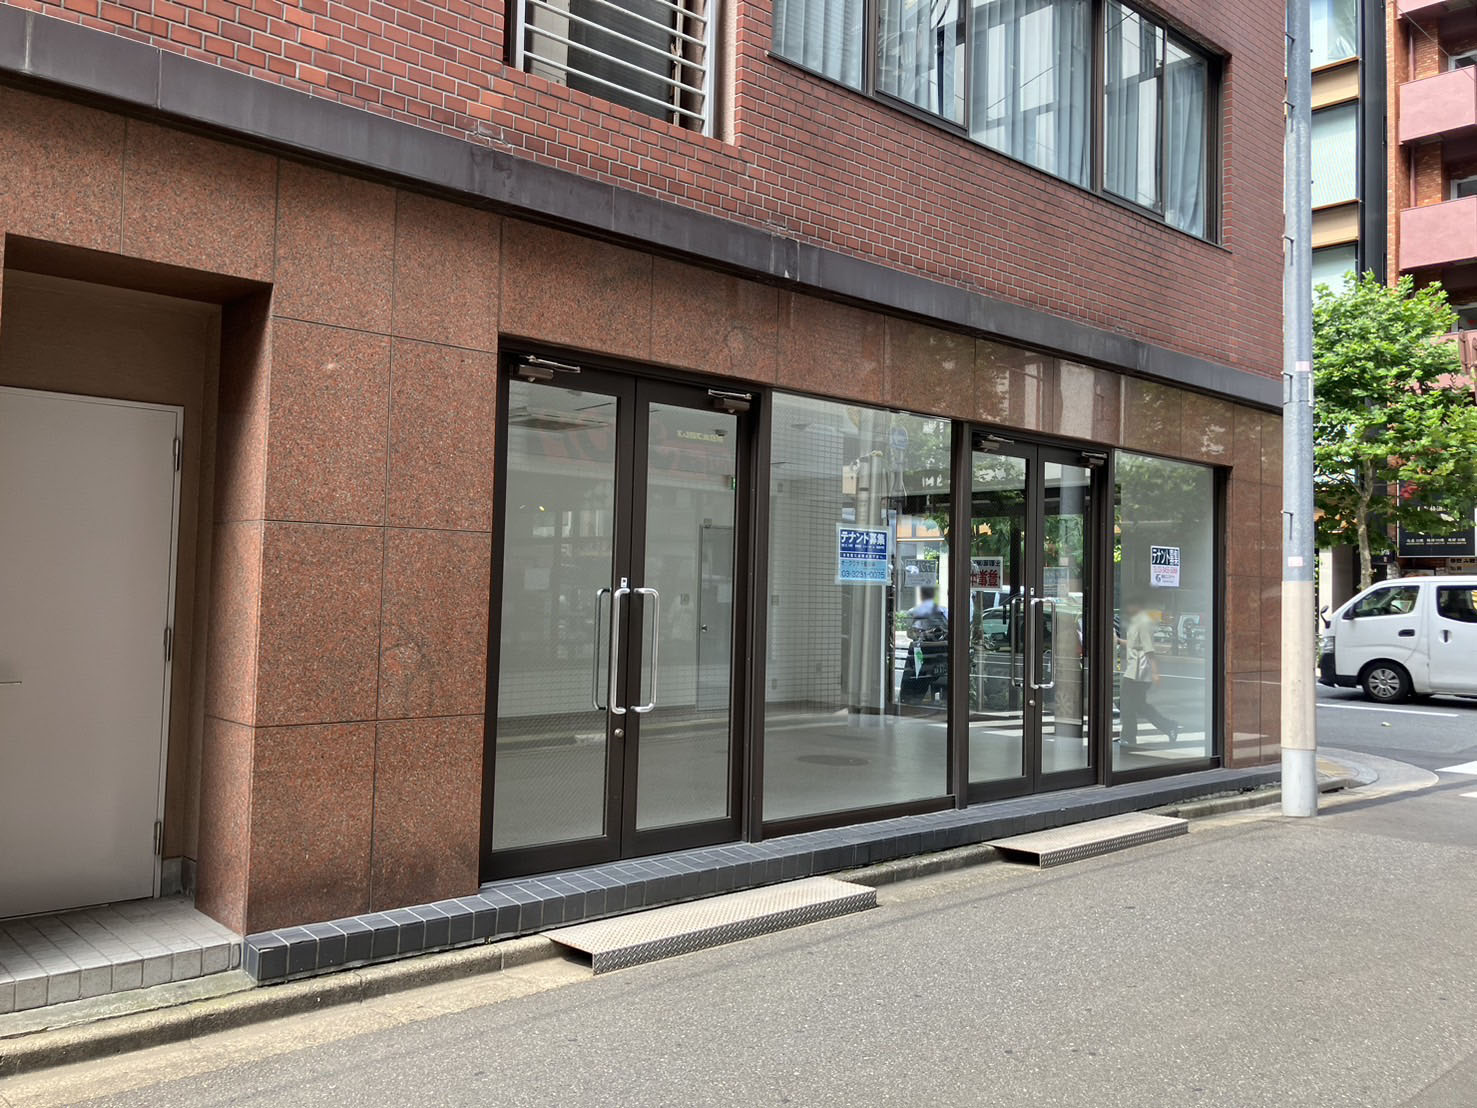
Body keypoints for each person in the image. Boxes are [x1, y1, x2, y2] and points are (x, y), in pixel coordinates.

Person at [1117, 601, 1180, 746]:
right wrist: (1119, 641)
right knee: (1138, 705)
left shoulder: (1143, 623)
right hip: (1133, 670)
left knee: (1126, 705)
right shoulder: (1136, 622)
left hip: (1138, 673)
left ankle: (1129, 737)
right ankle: (1169, 726)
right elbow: (1134, 644)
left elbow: (1149, 649)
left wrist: (1155, 672)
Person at [901, 588, 948, 705]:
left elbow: (910, 634)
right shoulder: (944, 611)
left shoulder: (913, 611)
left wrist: (922, 635)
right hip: (941, 651)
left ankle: (911, 700)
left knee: (916, 676)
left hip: (921, 650)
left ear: (921, 595)